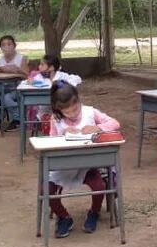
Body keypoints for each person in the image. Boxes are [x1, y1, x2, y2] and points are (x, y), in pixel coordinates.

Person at [46, 83, 121, 238]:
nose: (73, 113)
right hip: (65, 165)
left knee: (99, 186)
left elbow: (115, 123)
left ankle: (94, 212)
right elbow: (50, 142)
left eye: (76, 108)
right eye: (67, 111)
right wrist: (62, 134)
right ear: (59, 109)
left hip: (88, 165)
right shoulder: (56, 120)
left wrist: (97, 128)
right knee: (46, 190)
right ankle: (64, 217)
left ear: (79, 100)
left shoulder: (90, 112)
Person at [0, 34, 28, 131]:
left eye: (9, 44)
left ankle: (17, 120)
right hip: (3, 87)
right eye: (3, 45)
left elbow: (27, 76)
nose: (6, 47)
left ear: (14, 46)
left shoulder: (22, 58)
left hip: (17, 88)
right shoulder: (0, 60)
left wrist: (16, 71)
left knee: (6, 97)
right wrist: (0, 71)